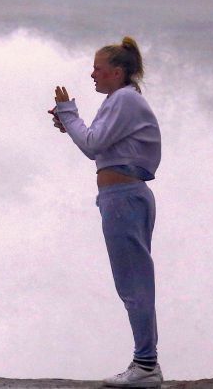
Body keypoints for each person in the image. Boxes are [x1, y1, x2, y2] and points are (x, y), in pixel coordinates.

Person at [49, 36, 163, 388]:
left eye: (98, 68)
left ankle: (146, 366)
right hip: (123, 196)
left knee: (133, 283)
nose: (92, 74)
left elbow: (92, 145)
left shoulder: (124, 100)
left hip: (124, 197)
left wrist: (69, 115)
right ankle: (144, 363)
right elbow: (94, 140)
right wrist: (70, 125)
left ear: (116, 72)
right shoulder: (121, 101)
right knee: (131, 281)